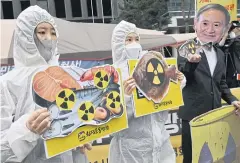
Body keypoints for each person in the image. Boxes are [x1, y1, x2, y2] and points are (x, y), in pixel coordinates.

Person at [0, 5, 91, 163]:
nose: (49, 38)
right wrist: (26, 129)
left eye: (53, 32)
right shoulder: (8, 83)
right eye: (42, 32)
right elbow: (2, 151)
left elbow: (74, 120)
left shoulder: (65, 77)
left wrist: (81, 137)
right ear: (25, 36)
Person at [108, 20, 186, 163]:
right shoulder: (113, 77)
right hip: (132, 151)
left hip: (160, 143)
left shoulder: (150, 65)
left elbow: (162, 101)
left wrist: (176, 83)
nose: (134, 43)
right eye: (128, 40)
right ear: (118, 44)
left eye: (137, 39)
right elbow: (112, 123)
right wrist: (126, 98)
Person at [177, 4, 240, 163]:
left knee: (215, 156)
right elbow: (184, 76)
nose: (210, 29)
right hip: (193, 117)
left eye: (217, 25)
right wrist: (192, 63)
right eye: (205, 23)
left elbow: (221, 83)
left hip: (215, 116)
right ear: (195, 24)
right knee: (192, 158)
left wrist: (233, 100)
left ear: (224, 29)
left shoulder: (219, 53)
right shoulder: (186, 48)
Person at [218, 21, 240, 88]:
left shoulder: (236, 41)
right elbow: (220, 45)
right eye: (236, 28)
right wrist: (225, 37)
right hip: (228, 67)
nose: (238, 30)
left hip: (235, 66)